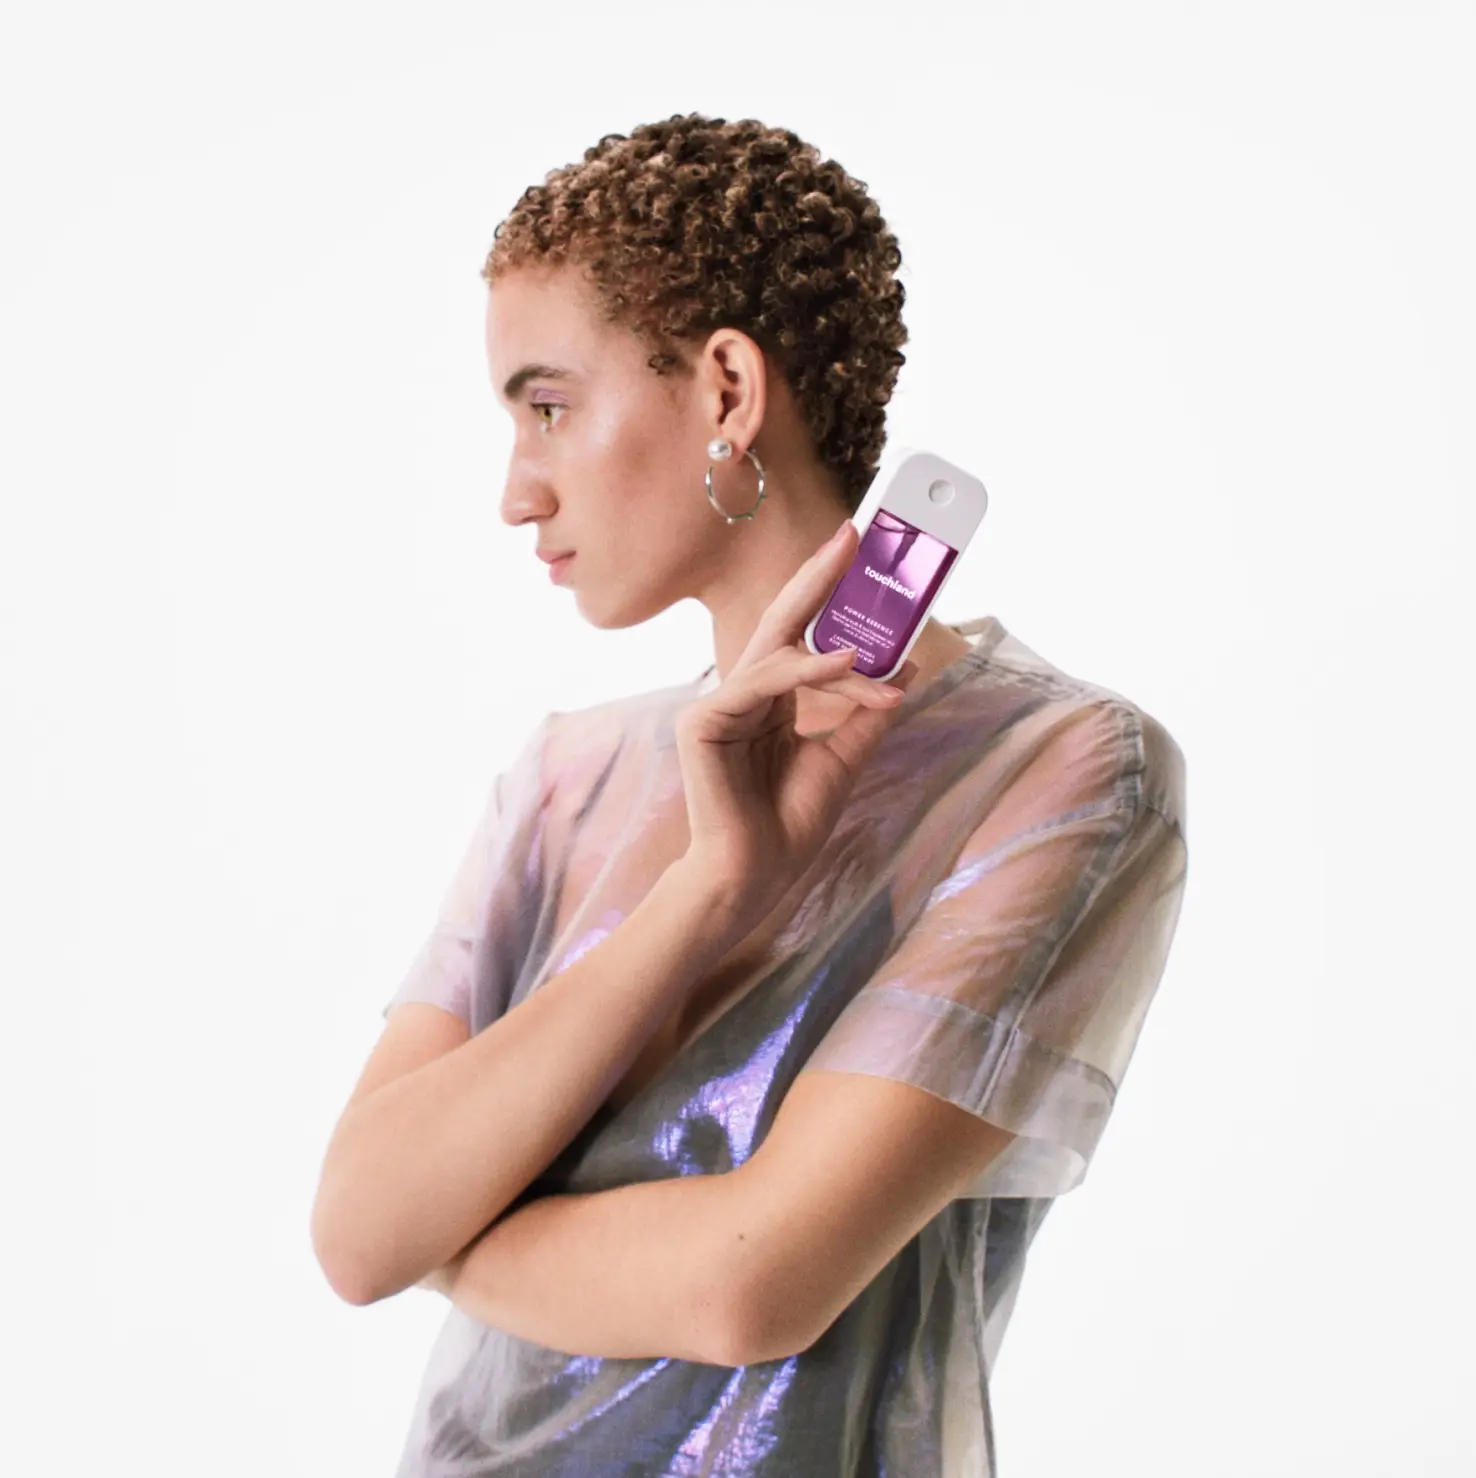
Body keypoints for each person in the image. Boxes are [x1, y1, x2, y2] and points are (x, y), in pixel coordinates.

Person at [310, 112, 1189, 1477]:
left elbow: (749, 1285)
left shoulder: (1065, 769)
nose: (516, 492)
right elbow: (358, 1233)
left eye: (548, 408)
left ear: (726, 390)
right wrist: (710, 887)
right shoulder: (565, 777)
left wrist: (450, 1232)